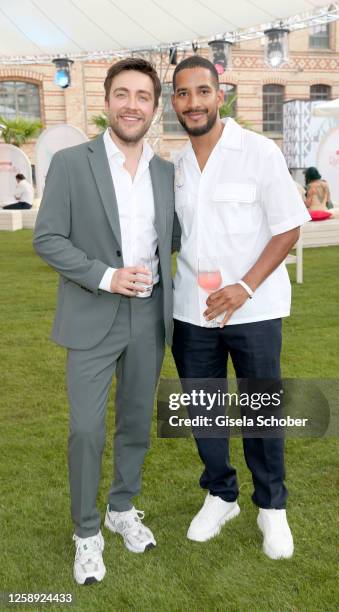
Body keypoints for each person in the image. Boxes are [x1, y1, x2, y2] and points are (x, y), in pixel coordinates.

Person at [33, 58, 175, 585]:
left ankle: (121, 509)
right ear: (108, 102)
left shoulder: (166, 172)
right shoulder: (73, 163)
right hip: (93, 313)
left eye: (142, 96)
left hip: (150, 317)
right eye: (122, 94)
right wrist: (105, 276)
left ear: (154, 108)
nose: (131, 104)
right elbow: (47, 238)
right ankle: (87, 532)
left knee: (136, 423)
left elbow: (174, 238)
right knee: (87, 429)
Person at [170, 56, 310, 560]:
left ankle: (272, 508)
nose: (194, 103)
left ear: (220, 95)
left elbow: (289, 225)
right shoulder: (178, 165)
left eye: (202, 92)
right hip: (192, 313)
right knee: (203, 412)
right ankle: (221, 494)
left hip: (254, 310)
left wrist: (245, 287)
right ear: (175, 103)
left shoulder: (258, 152)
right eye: (183, 94)